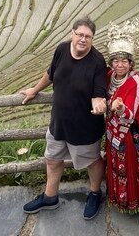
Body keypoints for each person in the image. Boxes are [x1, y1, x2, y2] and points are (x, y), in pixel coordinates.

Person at [20, 17, 107, 220]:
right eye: (80, 34)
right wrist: (34, 90)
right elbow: (50, 74)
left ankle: (95, 193)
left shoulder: (97, 61)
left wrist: (99, 104)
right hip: (58, 122)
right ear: (72, 34)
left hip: (85, 127)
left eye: (88, 36)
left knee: (92, 162)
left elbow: (99, 93)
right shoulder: (61, 49)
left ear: (92, 39)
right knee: (52, 160)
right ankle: (50, 197)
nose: (83, 39)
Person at [103, 19, 139, 214]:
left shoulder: (136, 82)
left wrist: (121, 108)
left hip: (130, 134)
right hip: (113, 132)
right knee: (116, 165)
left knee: (131, 168)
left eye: (124, 61)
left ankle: (134, 202)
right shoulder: (110, 77)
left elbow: (130, 113)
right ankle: (119, 198)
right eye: (116, 61)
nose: (120, 65)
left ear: (131, 63)